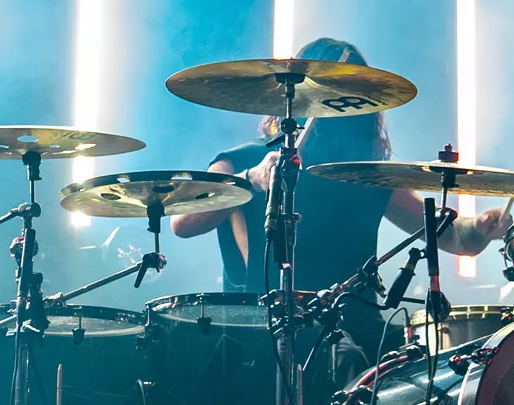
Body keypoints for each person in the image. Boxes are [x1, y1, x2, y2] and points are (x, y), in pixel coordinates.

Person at [171, 34, 503, 325]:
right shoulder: (243, 160)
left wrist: (483, 226)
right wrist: (251, 180)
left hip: (359, 337)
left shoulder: (366, 175)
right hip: (264, 337)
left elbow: (454, 239)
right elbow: (183, 222)